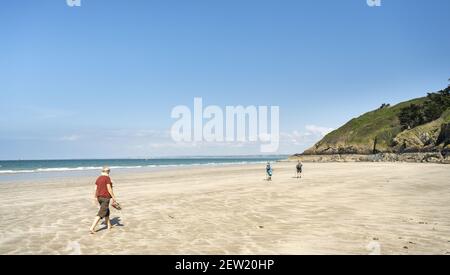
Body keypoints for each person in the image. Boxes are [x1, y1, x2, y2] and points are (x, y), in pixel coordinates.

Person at [89, 166, 118, 234]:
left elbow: (95, 189)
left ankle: (109, 225)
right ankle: (92, 228)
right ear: (107, 172)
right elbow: (109, 189)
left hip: (99, 197)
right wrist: (114, 197)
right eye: (109, 171)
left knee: (106, 210)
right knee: (101, 213)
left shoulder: (98, 178)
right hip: (105, 198)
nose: (109, 173)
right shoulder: (107, 178)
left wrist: (95, 197)